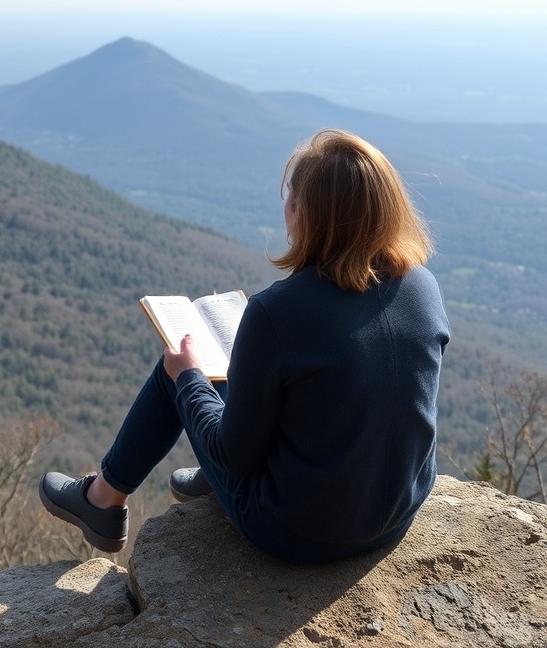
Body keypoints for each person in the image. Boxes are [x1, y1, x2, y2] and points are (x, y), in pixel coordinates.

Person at [39, 128, 450, 563]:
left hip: (296, 530)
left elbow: (231, 455)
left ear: (304, 212)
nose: (287, 207)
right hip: (397, 513)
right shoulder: (423, 286)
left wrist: (189, 376)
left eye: (291, 198)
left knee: (178, 367)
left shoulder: (277, 311)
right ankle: (207, 483)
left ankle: (103, 500)